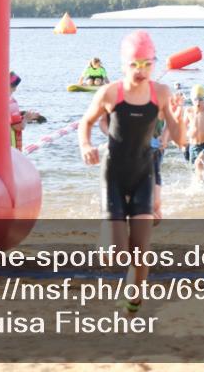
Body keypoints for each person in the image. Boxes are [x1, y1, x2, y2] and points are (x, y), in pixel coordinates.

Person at [78, 31, 184, 313]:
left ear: (153, 63)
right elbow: (86, 122)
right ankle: (106, 235)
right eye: (135, 64)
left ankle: (132, 303)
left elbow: (178, 137)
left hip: (143, 174)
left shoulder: (161, 93)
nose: (141, 70)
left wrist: (178, 119)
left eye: (147, 64)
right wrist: (86, 145)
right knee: (114, 255)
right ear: (124, 64)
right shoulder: (110, 92)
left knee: (141, 251)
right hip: (113, 174)